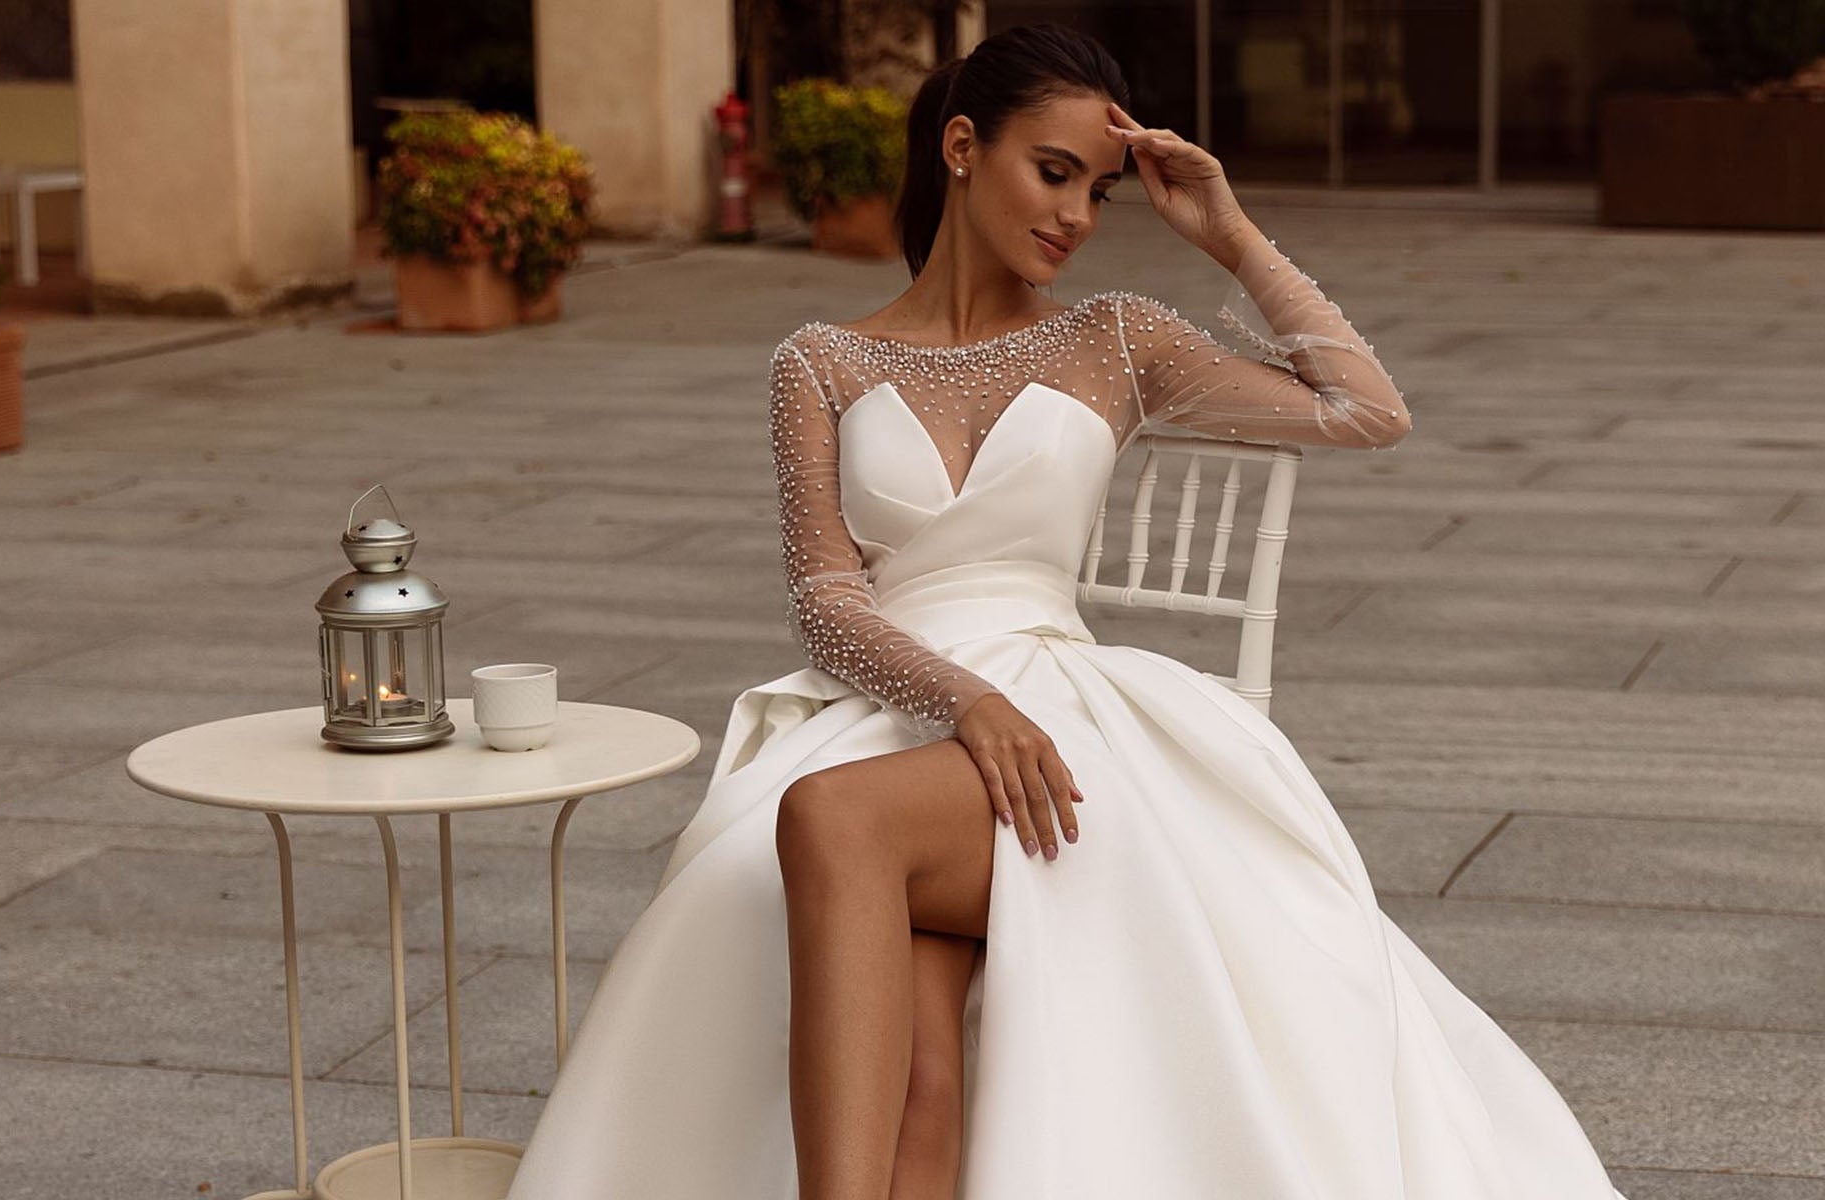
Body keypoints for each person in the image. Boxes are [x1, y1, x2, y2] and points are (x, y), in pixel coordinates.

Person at [501, 22, 1632, 1200]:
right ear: (958, 146)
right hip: (895, 710)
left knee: (831, 822)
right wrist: (963, 702)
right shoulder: (819, 361)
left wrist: (1227, 234)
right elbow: (828, 604)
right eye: (1052, 172)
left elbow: (1365, 410)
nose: (1078, 216)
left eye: (1097, 191)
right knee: (923, 1089)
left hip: (1062, 725)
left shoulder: (1116, 340)